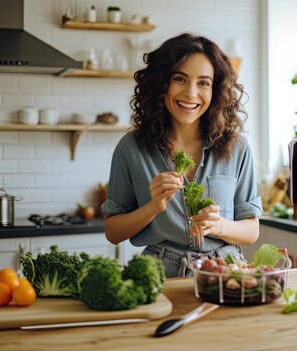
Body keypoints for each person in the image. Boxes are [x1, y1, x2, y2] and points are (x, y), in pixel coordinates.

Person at [101, 33, 262, 277]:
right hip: (161, 273)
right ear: (161, 84)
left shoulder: (236, 147)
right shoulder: (130, 148)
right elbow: (113, 232)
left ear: (215, 89)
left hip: (226, 272)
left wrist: (219, 225)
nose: (191, 93)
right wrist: (153, 207)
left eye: (203, 83)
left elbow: (252, 231)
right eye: (180, 79)